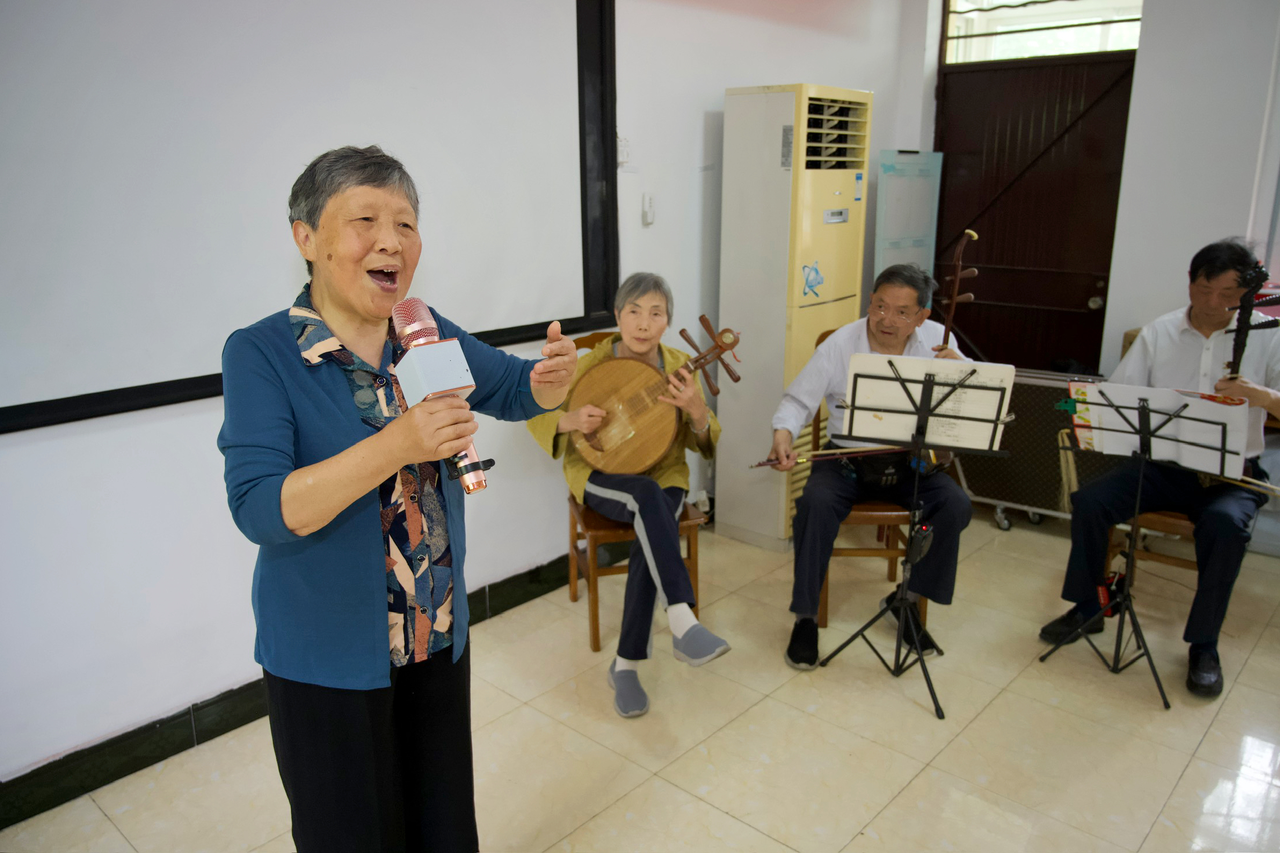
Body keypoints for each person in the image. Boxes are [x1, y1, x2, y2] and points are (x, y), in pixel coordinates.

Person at [217, 145, 577, 852]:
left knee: (443, 828)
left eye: (406, 224)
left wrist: (552, 379)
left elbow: (510, 385)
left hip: (435, 637)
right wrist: (396, 444)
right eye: (365, 220)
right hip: (326, 659)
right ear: (306, 238)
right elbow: (261, 507)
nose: (392, 240)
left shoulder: (420, 328)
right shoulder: (261, 353)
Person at [1039, 239, 1280, 698]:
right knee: (1090, 502)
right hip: (1162, 466)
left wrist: (1263, 397)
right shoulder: (1160, 332)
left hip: (1232, 474)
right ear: (1190, 283)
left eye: (1227, 293)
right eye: (1204, 290)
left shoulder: (1270, 334)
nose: (1213, 304)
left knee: (1226, 527)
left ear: (1247, 292)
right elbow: (1117, 398)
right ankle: (1090, 608)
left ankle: (1203, 645)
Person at [527, 272, 731, 718]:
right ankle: (682, 618)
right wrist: (570, 419)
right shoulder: (588, 365)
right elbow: (535, 413)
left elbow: (708, 441)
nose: (643, 323)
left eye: (655, 314)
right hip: (600, 470)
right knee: (644, 499)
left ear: (667, 322)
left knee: (649, 515)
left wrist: (697, 411)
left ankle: (625, 665)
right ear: (618, 317)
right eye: (633, 312)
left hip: (665, 473)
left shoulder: (680, 367)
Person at [768, 263, 973, 669]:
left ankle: (906, 600)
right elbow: (797, 401)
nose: (886, 320)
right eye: (880, 306)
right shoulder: (841, 343)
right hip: (846, 459)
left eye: (901, 312)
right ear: (870, 302)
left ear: (922, 317)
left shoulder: (937, 341)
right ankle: (805, 617)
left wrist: (961, 373)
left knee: (955, 505)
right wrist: (783, 435)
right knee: (813, 504)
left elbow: (971, 404)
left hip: (911, 462)